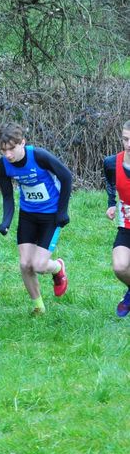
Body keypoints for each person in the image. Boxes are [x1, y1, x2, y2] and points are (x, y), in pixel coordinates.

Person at [0, 123, 72, 315]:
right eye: (3, 150)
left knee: (39, 265)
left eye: (12, 149)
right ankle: (39, 306)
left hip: (51, 215)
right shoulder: (2, 165)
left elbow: (66, 177)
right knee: (25, 264)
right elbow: (8, 196)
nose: (8, 155)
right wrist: (6, 221)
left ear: (22, 142)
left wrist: (62, 211)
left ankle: (57, 268)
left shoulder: (39, 156)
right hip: (28, 215)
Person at [103, 120, 130, 317]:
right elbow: (111, 182)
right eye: (125, 139)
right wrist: (111, 203)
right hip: (126, 225)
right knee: (120, 267)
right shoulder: (112, 162)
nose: (129, 144)